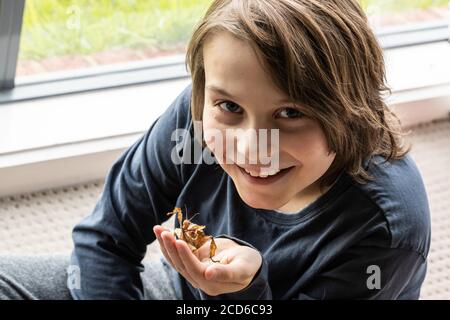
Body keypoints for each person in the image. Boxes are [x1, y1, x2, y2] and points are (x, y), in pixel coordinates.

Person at [0, 0, 430, 300]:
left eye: (291, 112)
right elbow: (105, 239)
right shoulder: (200, 116)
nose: (251, 146)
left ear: (351, 106)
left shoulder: (387, 228)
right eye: (229, 107)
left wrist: (242, 291)